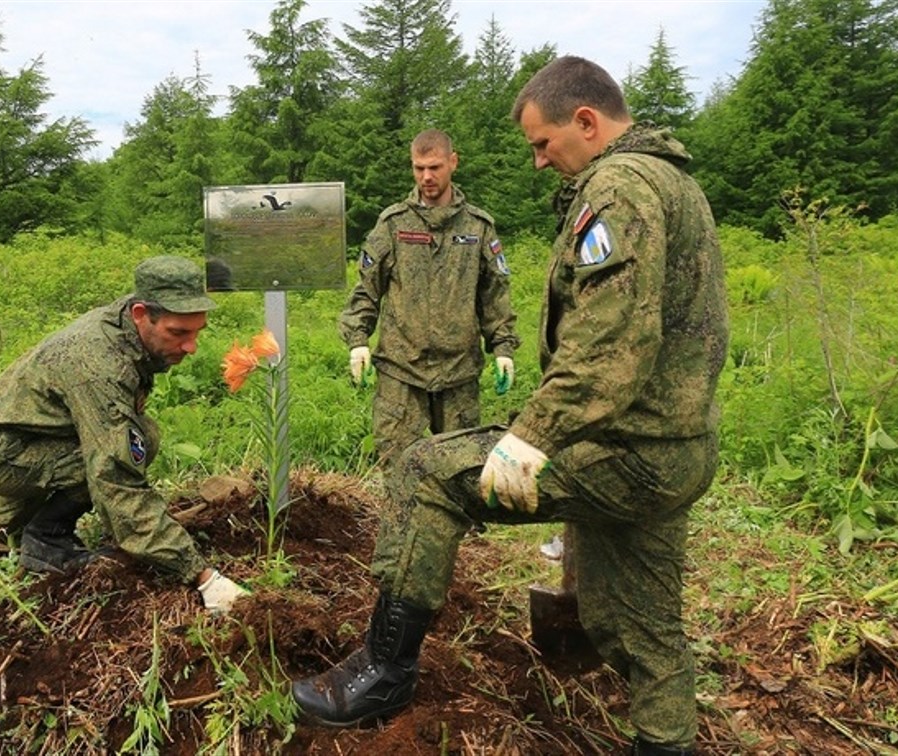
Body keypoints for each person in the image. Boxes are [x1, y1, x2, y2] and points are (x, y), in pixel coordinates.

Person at [292, 56, 727, 756]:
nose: (537, 161)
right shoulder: (674, 181)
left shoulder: (618, 188)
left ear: (585, 121)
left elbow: (610, 345)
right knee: (642, 623)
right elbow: (367, 291)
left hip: (621, 448)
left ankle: (383, 673)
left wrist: (531, 436)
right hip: (675, 447)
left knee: (423, 472)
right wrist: (357, 339)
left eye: (542, 143)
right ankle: (666, 742)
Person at [0, 256, 249, 614]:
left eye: (197, 332)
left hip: (25, 439)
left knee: (3, 520)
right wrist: (203, 577)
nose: (192, 346)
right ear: (142, 313)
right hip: (9, 453)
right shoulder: (98, 363)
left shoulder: (124, 321)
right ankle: (47, 537)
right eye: (179, 333)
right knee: (140, 439)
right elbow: (115, 480)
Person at [338, 128, 519, 473]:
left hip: (458, 371)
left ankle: (461, 529)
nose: (426, 177)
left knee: (462, 470)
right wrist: (358, 340)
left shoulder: (478, 226)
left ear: (453, 162)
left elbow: (494, 293)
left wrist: (503, 348)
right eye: (418, 168)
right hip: (401, 369)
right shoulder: (394, 224)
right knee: (396, 466)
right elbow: (366, 288)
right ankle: (400, 529)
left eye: (434, 167)